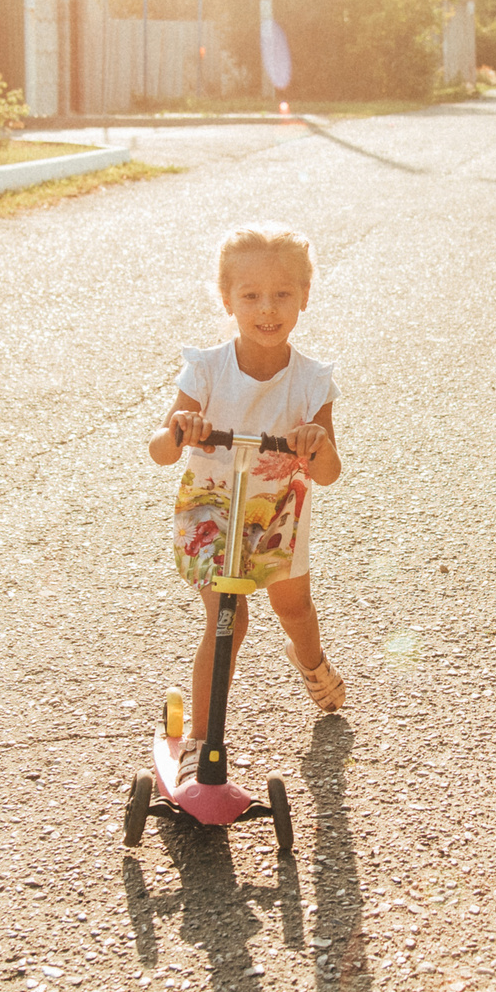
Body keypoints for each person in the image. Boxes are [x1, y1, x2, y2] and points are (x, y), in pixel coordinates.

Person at [147, 223, 346, 736]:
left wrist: (316, 443)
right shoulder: (207, 370)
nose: (267, 309)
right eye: (251, 295)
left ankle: (311, 661)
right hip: (213, 509)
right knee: (228, 622)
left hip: (278, 508)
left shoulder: (310, 381)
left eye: (282, 295)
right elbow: (160, 452)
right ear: (226, 300)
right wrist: (181, 430)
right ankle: (200, 744)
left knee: (293, 606)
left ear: (304, 296)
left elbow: (328, 473)